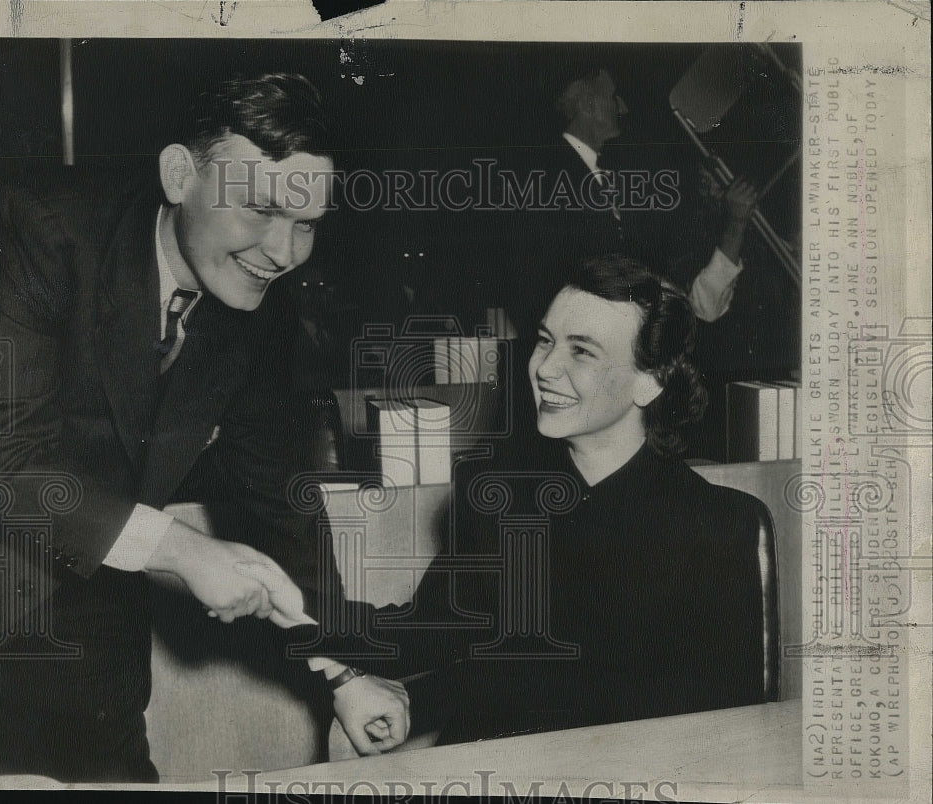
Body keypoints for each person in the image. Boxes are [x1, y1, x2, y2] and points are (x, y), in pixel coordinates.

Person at [0, 72, 404, 781]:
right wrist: (183, 550)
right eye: (259, 210)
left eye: (306, 223)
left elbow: (282, 507)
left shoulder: (257, 314)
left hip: (96, 621)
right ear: (180, 174)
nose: (282, 252)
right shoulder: (36, 226)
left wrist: (342, 672)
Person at [242, 254, 770, 746]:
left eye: (581, 350)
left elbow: (717, 726)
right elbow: (434, 634)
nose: (544, 368)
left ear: (650, 383)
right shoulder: (495, 497)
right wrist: (299, 605)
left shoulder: (718, 525)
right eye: (545, 340)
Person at [495, 70, 758, 340]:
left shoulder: (610, 182)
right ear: (588, 104)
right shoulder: (546, 181)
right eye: (612, 97)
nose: (622, 106)